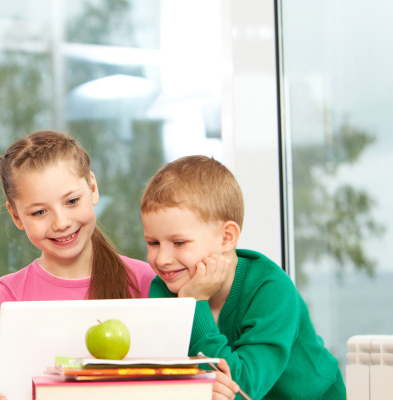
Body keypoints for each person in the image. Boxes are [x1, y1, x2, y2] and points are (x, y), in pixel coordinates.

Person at [0, 130, 156, 400]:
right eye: (39, 212)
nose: (60, 222)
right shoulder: (9, 297)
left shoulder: (143, 279)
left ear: (92, 189)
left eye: (72, 201)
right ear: (15, 215)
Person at [141, 155, 346, 399]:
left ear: (226, 237)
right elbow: (165, 377)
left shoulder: (271, 290)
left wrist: (195, 303)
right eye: (153, 243)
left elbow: (243, 390)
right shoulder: (164, 289)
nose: (162, 259)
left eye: (179, 242)